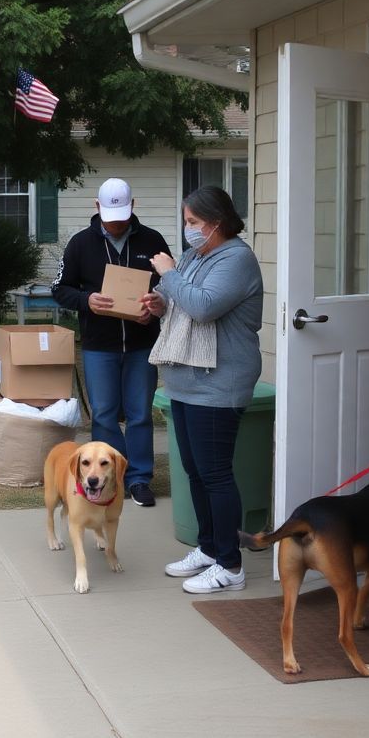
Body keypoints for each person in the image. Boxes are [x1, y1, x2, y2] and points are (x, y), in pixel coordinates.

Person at [141, 186, 263, 594]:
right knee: (195, 470)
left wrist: (169, 275)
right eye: (186, 221)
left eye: (193, 222)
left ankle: (230, 566)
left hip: (218, 382)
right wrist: (160, 304)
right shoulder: (197, 255)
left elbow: (205, 305)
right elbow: (181, 304)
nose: (188, 229)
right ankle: (209, 548)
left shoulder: (237, 258)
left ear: (216, 222)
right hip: (186, 381)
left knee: (215, 474)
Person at [51, 177, 170, 507]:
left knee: (139, 413)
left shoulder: (153, 240)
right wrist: (87, 300)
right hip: (99, 344)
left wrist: (155, 307)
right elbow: (60, 289)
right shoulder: (80, 244)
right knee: (103, 413)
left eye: (121, 218)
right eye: (109, 219)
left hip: (142, 343)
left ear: (133, 207)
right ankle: (104, 480)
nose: (116, 226)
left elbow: (169, 287)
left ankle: (139, 478)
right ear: (97, 208)